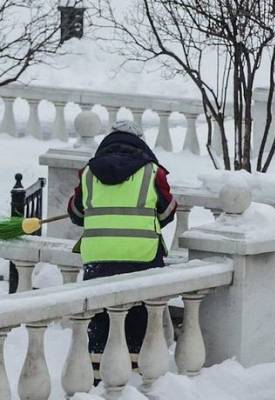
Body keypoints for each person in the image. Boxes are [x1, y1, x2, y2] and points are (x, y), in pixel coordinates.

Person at [67, 120, 177, 383]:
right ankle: (136, 379)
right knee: (140, 318)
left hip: (99, 258)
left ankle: (95, 380)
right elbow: (168, 211)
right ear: (140, 142)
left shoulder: (88, 172)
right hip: (142, 256)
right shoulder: (153, 172)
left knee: (101, 318)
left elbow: (75, 212)